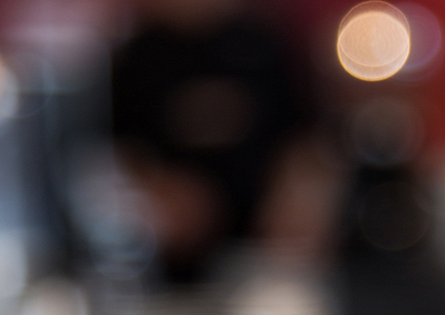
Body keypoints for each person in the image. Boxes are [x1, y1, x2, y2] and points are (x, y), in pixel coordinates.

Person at [110, 0, 334, 278]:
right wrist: (157, 196)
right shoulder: (136, 57)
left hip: (264, 255)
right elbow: (116, 156)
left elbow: (308, 143)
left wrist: (298, 202)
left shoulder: (267, 43)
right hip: (166, 264)